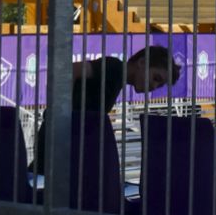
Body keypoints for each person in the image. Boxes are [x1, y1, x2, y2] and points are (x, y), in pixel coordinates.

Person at [32, 45, 182, 176]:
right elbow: (69, 70)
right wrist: (63, 116)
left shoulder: (117, 77)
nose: (154, 86)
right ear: (142, 62)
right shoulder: (114, 68)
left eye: (160, 85)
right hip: (59, 143)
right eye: (156, 78)